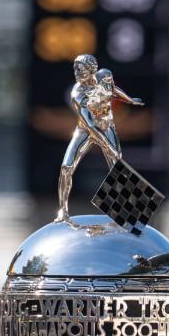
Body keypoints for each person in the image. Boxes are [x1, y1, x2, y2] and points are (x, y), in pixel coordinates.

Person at [55, 54, 143, 222]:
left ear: (91, 70)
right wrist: (106, 145)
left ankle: (127, 211)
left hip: (106, 125)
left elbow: (112, 90)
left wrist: (129, 100)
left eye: (79, 69)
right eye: (75, 68)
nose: (76, 72)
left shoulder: (104, 75)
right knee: (66, 167)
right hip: (86, 130)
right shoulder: (78, 94)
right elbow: (90, 125)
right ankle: (63, 211)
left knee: (117, 166)